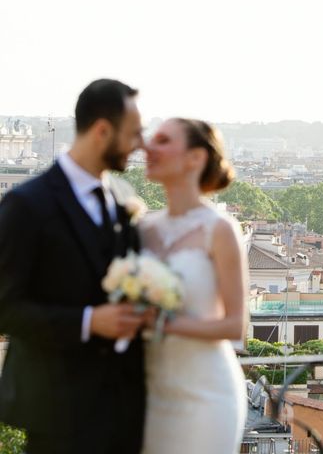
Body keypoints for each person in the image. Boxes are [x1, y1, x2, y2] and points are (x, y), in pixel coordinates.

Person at [0, 79, 147, 454]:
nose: (139, 145)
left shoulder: (122, 200)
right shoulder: (26, 205)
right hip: (56, 415)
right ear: (102, 130)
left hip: (122, 411)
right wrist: (88, 321)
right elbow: (6, 309)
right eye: (134, 134)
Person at [140, 118, 248, 454]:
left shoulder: (220, 229)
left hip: (206, 394)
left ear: (195, 158)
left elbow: (236, 325)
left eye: (163, 140)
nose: (148, 147)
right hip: (150, 394)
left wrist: (163, 323)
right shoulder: (143, 228)